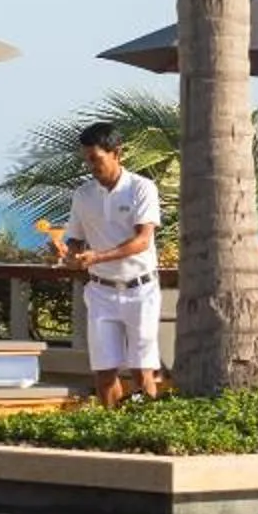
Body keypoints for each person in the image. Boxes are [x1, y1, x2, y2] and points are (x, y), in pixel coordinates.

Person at [50, 124, 163, 406]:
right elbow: (75, 238)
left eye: (96, 159)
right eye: (87, 159)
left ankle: (144, 430)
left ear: (117, 153)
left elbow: (142, 241)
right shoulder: (83, 195)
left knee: (141, 370)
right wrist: (70, 254)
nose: (90, 166)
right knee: (104, 373)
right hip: (101, 292)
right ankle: (113, 427)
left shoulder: (141, 188)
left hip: (141, 291)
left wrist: (97, 257)